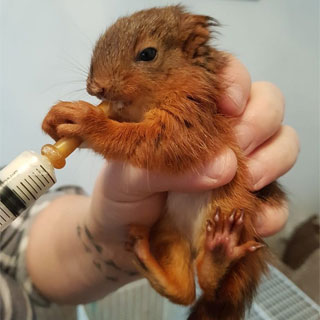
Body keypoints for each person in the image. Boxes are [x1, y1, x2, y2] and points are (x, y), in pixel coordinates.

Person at [0, 56, 299, 320]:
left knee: (217, 261)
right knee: (183, 282)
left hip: (208, 209)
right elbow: (136, 142)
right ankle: (205, 266)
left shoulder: (185, 99)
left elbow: (14, 241)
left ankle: (213, 270)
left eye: (145, 56)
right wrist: (92, 129)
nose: (98, 87)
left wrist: (106, 232)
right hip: (178, 227)